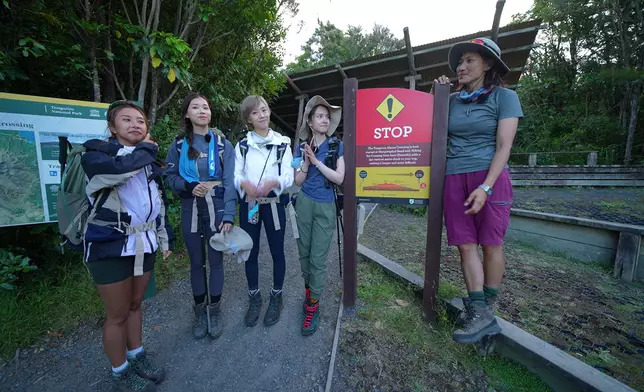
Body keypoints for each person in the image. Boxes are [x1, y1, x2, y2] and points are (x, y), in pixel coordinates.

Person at [433, 37, 523, 344]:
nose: (461, 66)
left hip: (491, 176)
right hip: (455, 176)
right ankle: (478, 310)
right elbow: (431, 128)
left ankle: (487, 307)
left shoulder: (505, 97)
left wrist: (486, 186)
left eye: (470, 60)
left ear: (488, 64)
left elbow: (504, 145)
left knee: (490, 243)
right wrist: (438, 94)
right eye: (460, 62)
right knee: (465, 244)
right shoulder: (453, 99)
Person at [81, 100, 174, 391]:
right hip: (108, 245)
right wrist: (147, 150)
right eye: (126, 120)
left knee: (135, 305)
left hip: (143, 244)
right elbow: (119, 171)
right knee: (117, 313)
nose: (135, 124)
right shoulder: (96, 155)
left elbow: (156, 204)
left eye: (140, 121)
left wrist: (163, 239)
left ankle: (137, 356)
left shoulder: (145, 160)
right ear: (112, 127)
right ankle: (120, 371)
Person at [164, 92, 236, 340]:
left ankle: (214, 310)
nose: (202, 110)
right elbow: (169, 177)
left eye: (205, 107)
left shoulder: (223, 145)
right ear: (187, 114)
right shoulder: (178, 145)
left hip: (216, 207)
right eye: (195, 107)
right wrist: (186, 186)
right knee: (196, 262)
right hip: (190, 206)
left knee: (216, 260)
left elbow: (230, 182)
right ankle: (198, 311)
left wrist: (229, 214)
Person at [234, 95, 294, 327]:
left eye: (265, 110)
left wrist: (274, 182)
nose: (263, 115)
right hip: (250, 206)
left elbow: (288, 175)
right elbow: (235, 174)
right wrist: (243, 184)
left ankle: (277, 295)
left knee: (277, 250)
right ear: (248, 118)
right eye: (256, 112)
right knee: (250, 250)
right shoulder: (242, 146)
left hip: (273, 205)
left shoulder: (282, 143)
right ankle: (254, 296)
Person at [292, 95, 344, 336]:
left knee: (318, 259)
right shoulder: (303, 147)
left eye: (327, 116)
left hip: (325, 205)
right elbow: (298, 181)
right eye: (320, 116)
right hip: (304, 202)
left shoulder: (336, 146)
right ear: (310, 123)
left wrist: (317, 162)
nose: (325, 120)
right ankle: (308, 293)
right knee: (304, 254)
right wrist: (305, 161)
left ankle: (313, 306)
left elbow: (339, 178)